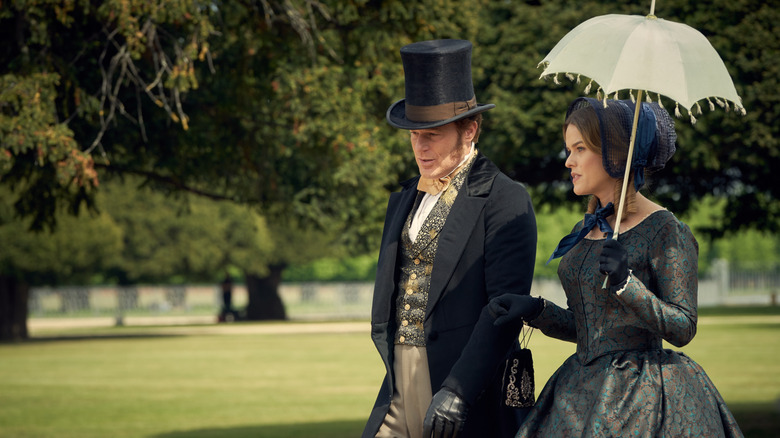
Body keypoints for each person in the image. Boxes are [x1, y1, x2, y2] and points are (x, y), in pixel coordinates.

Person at [489, 97, 744, 437]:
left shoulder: (665, 229)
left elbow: (683, 325)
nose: (568, 161)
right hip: (578, 392)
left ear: (615, 155)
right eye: (568, 149)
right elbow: (590, 329)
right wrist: (536, 309)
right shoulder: (586, 229)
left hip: (642, 399)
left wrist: (627, 283)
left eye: (579, 149)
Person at [362, 39, 538, 438]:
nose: (420, 147)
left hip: (463, 387)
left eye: (433, 134)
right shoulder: (407, 196)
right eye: (413, 135)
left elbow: (504, 308)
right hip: (397, 382)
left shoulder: (504, 197)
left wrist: (458, 390)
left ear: (470, 129)